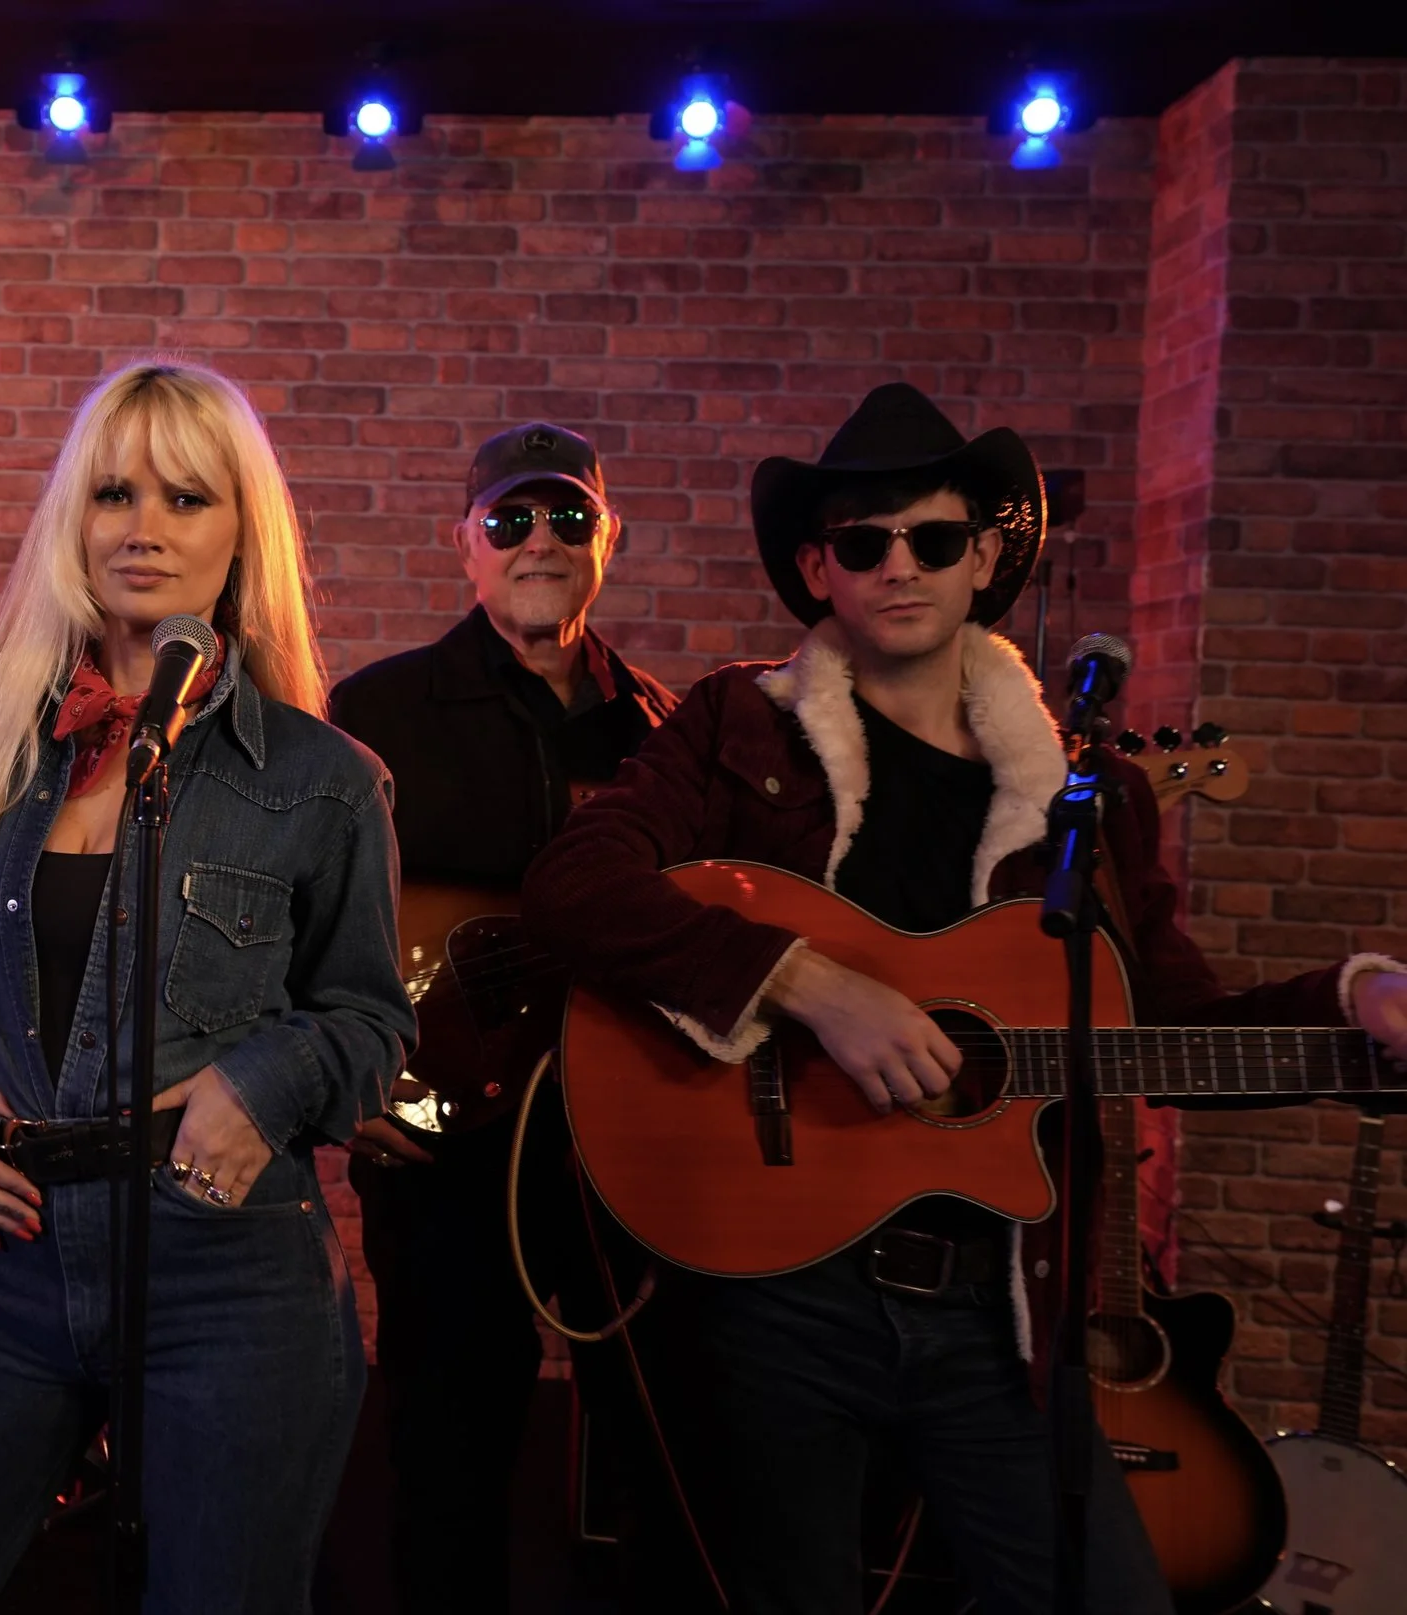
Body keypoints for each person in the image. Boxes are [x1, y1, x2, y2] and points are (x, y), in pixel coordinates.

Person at [520, 381, 1407, 1615]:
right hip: (778, 1296)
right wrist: (803, 982)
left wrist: (1357, 1002)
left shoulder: (1088, 803)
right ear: (817, 569)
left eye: (933, 539)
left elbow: (1169, 1028)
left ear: (985, 556)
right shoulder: (740, 726)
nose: (900, 567)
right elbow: (572, 885)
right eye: (863, 543)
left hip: (1000, 1313)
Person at [0, 359, 416, 1613]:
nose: (142, 528)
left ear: (241, 531)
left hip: (225, 1275)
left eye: (186, 498)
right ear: (73, 516)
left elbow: (371, 1020)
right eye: (114, 493)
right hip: (0, 1261)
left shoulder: (323, 778)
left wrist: (262, 1083)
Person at [327, 423, 676, 1612]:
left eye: (568, 518)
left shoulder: (662, 730)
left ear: (606, 540)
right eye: (510, 519)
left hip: (621, 1150)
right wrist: (339, 1079)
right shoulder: (375, 711)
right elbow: (303, 915)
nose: (540, 541)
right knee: (446, 1463)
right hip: (441, 1149)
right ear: (464, 545)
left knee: (656, 1456)